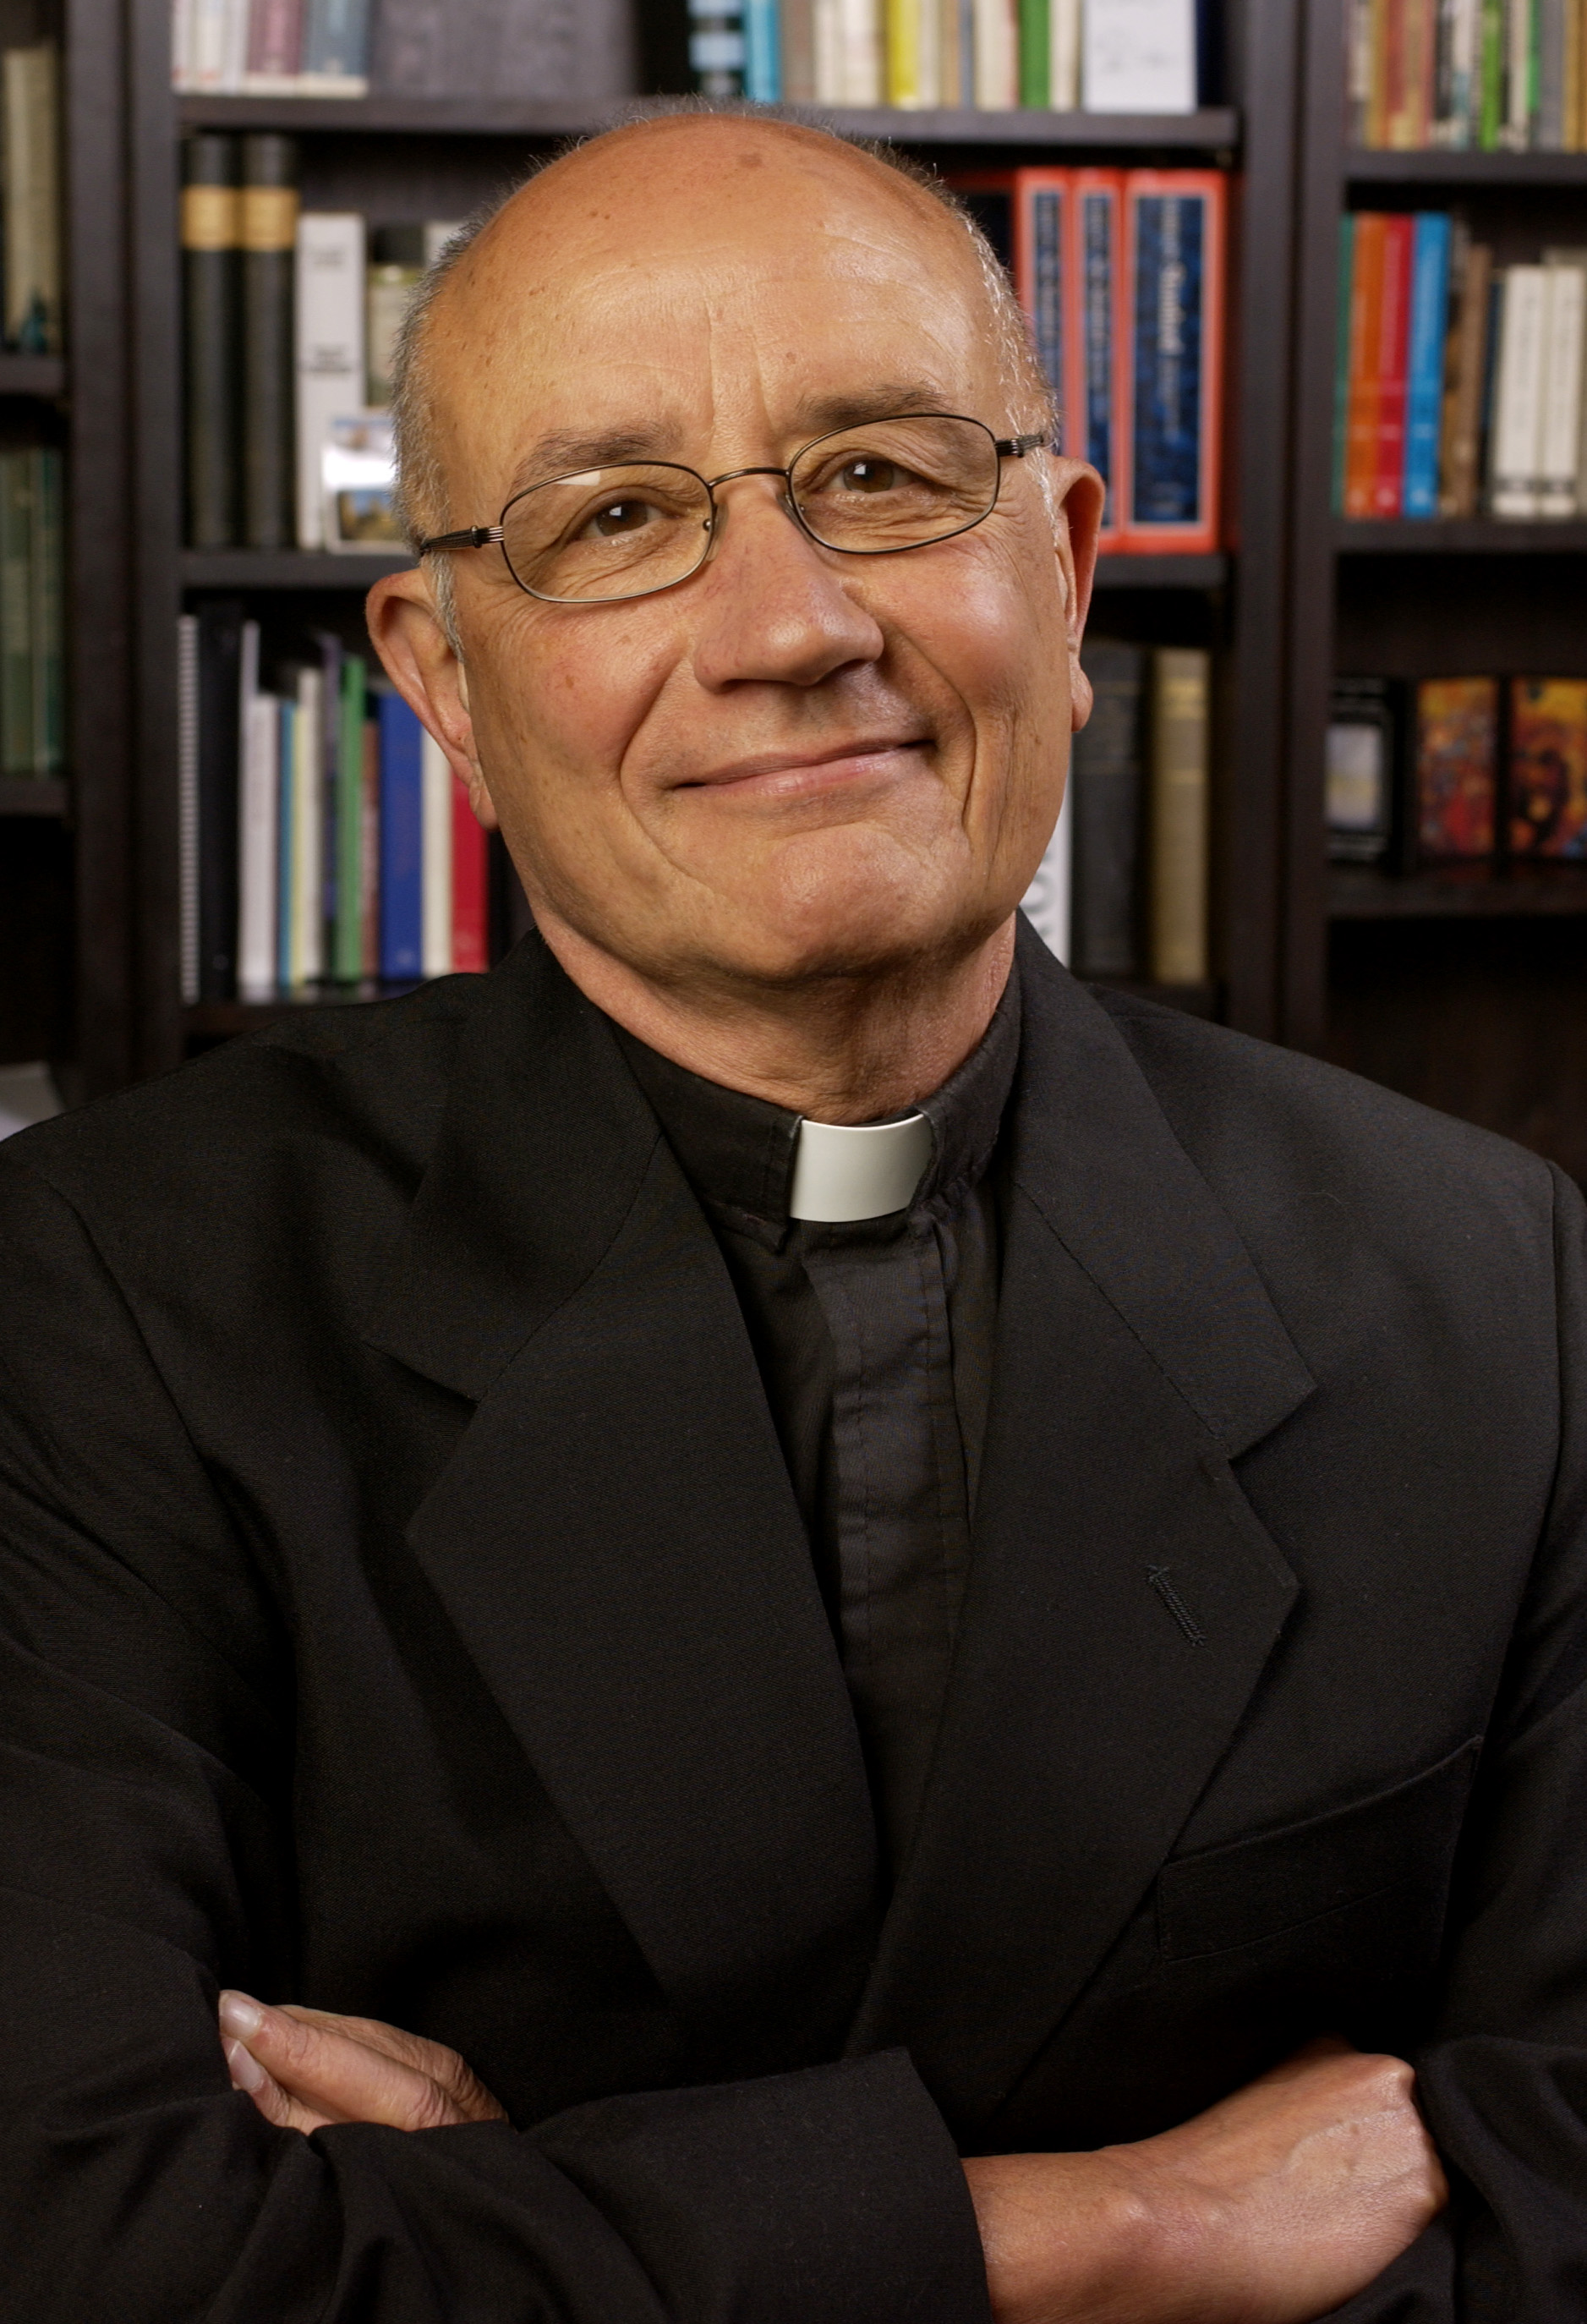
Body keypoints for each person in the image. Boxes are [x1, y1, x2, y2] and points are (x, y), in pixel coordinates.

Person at [0, 109, 1583, 2324]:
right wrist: (1137, 2227)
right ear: (442, 677)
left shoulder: (1500, 1280)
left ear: (1066, 555)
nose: (790, 626)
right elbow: (92, 2251)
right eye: (620, 516)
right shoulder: (100, 1288)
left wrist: (516, 2225)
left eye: (880, 473)